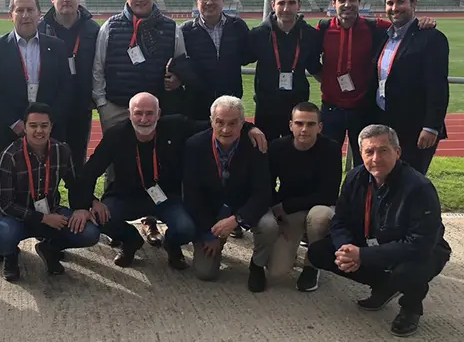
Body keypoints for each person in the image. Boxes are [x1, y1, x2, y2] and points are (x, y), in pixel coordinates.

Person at [80, 92, 267, 269]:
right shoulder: (116, 135)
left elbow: (214, 125)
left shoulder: (176, 125)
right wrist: (92, 201)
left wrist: (250, 127)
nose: (144, 119)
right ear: (130, 114)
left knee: (187, 227)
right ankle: (130, 241)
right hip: (126, 196)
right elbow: (89, 172)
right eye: (138, 113)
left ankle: (171, 243)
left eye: (149, 113)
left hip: (168, 197)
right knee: (100, 217)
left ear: (159, 114)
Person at [307, 124, 451, 337]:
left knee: (408, 271)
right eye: (369, 151)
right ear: (361, 154)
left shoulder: (419, 187)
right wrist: (346, 248)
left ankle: (411, 307)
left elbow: (420, 244)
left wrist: (363, 255)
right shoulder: (356, 177)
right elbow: (340, 221)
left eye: (383, 150)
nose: (376, 158)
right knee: (319, 252)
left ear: (398, 152)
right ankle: (385, 287)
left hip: (419, 251)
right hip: (371, 242)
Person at [92, 0, 193, 246]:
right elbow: (98, 68)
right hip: (117, 105)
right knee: (114, 165)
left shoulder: (171, 28)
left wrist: (178, 79)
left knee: (155, 162)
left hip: (152, 110)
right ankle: (115, 223)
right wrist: (102, 104)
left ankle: (151, 222)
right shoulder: (110, 27)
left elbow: (181, 62)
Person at [316, 0, 436, 168]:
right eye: (342, 0)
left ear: (359, 2)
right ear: (334, 3)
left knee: (366, 164)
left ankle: (361, 197)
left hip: (364, 110)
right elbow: (309, 59)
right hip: (331, 110)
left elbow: (403, 28)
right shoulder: (322, 29)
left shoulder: (376, 28)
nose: (347, 4)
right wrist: (325, 79)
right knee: (326, 163)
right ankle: (328, 198)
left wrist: (422, 22)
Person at [0, 103, 100, 282]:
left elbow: (75, 184)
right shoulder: (10, 155)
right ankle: (10, 255)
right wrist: (42, 218)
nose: (39, 131)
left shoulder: (61, 150)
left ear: (51, 127)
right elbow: (5, 204)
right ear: (24, 127)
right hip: (17, 216)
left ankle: (49, 248)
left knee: (90, 233)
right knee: (1, 240)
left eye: (44, 125)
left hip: (51, 212)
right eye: (33, 126)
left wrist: (86, 205)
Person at [182, 96, 272, 289]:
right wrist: (209, 233)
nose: (225, 129)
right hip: (210, 212)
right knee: (205, 273)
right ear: (211, 121)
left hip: (242, 208)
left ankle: (257, 266)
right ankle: (214, 240)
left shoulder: (256, 145)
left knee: (269, 225)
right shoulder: (195, 145)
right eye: (220, 122)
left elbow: (263, 192)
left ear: (243, 123)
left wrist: (238, 219)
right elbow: (192, 195)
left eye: (233, 123)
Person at [254, 102, 342, 292]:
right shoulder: (277, 147)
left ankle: (313, 265)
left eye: (311, 124)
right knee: (277, 271)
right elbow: (266, 184)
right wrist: (277, 207)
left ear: (320, 127)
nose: (304, 129)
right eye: (299, 123)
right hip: (290, 212)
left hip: (318, 206)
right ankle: (292, 247)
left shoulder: (331, 149)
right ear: (290, 125)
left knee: (320, 218)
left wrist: (285, 207)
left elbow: (329, 194)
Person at [372, 0, 449, 175]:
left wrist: (431, 127)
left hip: (416, 127)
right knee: (388, 178)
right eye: (389, 3)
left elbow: (437, 86)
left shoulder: (431, 38)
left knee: (411, 181)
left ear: (413, 4)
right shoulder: (384, 37)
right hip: (387, 121)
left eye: (400, 2)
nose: (394, 8)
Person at [0, 0, 72, 153]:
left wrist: (47, 123)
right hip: (10, 132)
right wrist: (15, 123)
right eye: (20, 10)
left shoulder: (57, 46)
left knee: (47, 177)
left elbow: (65, 87)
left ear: (39, 14)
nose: (25, 15)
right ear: (11, 15)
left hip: (48, 132)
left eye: (30, 10)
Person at [245, 0, 322, 143]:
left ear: (299, 5)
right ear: (273, 5)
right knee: (265, 152)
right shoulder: (258, 35)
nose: (286, 8)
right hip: (266, 108)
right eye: (281, 3)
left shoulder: (310, 35)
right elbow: (243, 59)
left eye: (291, 3)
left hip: (298, 108)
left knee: (296, 153)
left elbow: (315, 66)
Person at [38, 0, 100, 171]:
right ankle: (50, 200)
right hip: (50, 106)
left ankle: (78, 201)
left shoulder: (92, 29)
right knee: (48, 161)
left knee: (77, 161)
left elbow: (101, 66)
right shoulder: (40, 29)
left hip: (81, 106)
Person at [179, 0, 250, 120]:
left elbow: (247, 57)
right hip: (196, 106)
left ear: (223, 0)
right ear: (197, 2)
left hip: (231, 103)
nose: (209, 2)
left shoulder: (238, 26)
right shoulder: (185, 31)